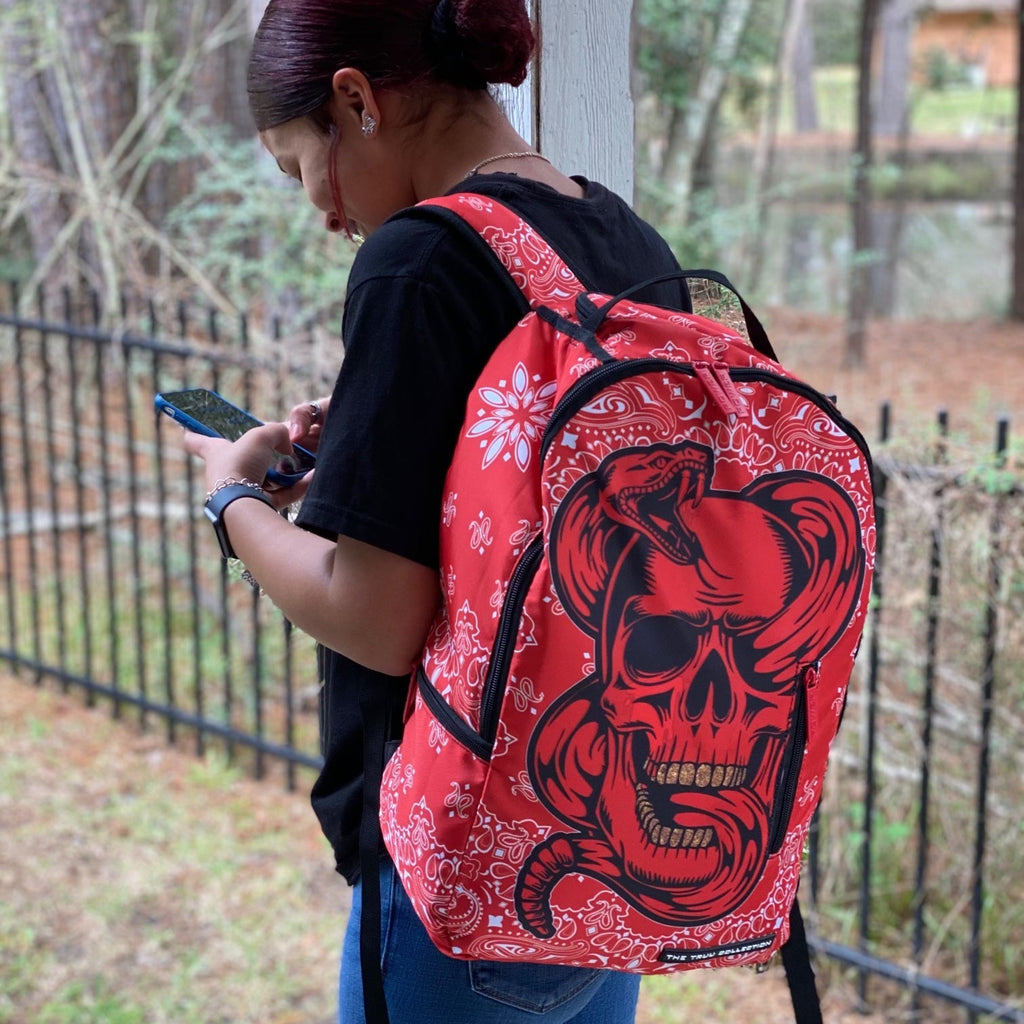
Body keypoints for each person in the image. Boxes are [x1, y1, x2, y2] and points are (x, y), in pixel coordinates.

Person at [182, 1, 691, 1021]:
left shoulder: (421, 259)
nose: (320, 210)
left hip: (465, 861)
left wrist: (231, 497)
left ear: (356, 100)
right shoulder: (623, 237)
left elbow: (377, 617)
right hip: (608, 829)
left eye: (299, 169)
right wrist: (361, 450)